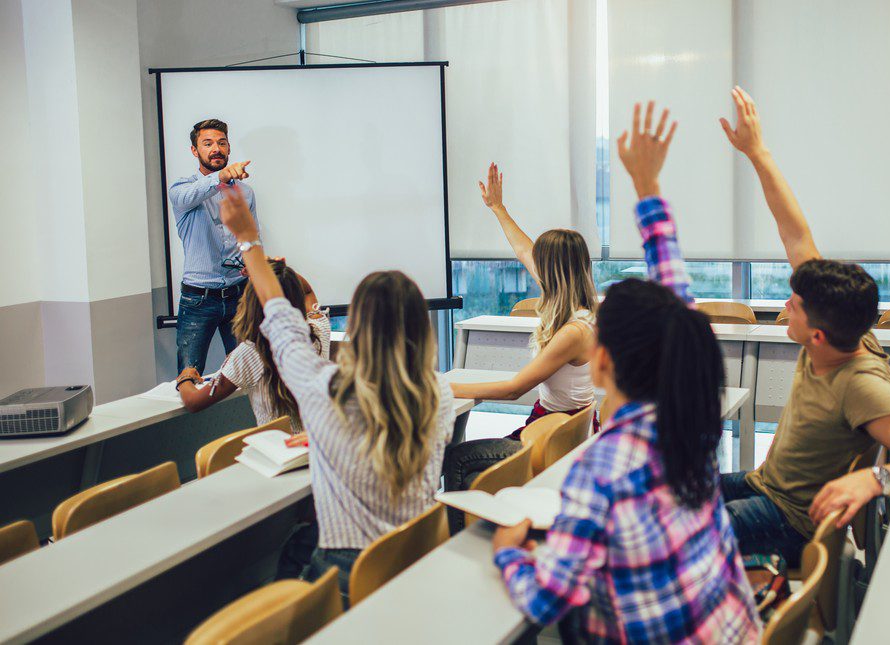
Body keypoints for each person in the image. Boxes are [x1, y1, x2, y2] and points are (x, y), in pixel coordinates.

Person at [492, 102, 760, 643]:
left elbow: (547, 599)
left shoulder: (601, 469)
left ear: (603, 360)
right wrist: (646, 184)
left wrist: (508, 556)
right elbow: (679, 305)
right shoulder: (691, 418)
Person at [717, 86, 890, 565]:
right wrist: (757, 152)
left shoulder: (861, 383)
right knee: (664, 492)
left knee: (661, 533)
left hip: (787, 519)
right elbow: (796, 233)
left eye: (795, 303)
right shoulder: (845, 328)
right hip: (762, 484)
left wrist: (874, 480)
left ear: (817, 335)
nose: (786, 304)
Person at [217, 185, 455, 607]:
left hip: (350, 574)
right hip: (417, 561)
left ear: (359, 327)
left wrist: (247, 239)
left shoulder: (325, 391)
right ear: (422, 328)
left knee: (285, 568)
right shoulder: (439, 393)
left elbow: (281, 320)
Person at [441, 164, 599, 523]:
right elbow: (523, 249)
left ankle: (455, 539)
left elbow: (515, 389)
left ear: (553, 272)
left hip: (551, 435)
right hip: (554, 427)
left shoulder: (574, 332)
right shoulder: (585, 313)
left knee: (458, 458)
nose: (533, 268)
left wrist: (444, 385)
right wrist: (498, 208)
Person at [174, 259, 330, 436]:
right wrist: (275, 270)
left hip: (278, 455)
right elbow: (308, 291)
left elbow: (194, 402)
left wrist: (185, 378)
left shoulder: (251, 352)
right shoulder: (318, 330)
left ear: (251, 302)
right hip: (318, 447)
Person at [169, 118, 257, 374]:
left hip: (238, 294)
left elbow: (251, 237)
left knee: (247, 373)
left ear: (229, 148)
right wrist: (221, 177)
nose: (216, 148)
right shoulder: (181, 189)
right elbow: (189, 196)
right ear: (195, 151)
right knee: (188, 375)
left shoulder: (246, 192)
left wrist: (251, 262)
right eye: (207, 144)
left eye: (221, 143)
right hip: (198, 300)